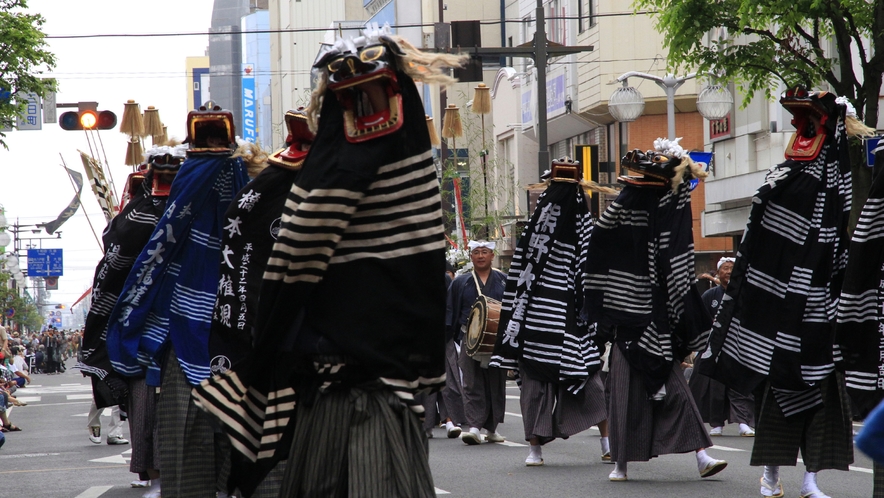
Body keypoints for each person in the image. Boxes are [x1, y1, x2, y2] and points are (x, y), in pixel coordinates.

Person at [194, 25, 465, 497]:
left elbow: (295, 263)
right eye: (353, 101)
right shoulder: (391, 158)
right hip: (357, 385)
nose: (366, 112)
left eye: (373, 96)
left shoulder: (350, 166)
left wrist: (264, 358)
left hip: (354, 388)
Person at [699, 90, 863, 498]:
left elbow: (841, 242)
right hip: (781, 318)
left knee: (825, 409)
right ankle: (771, 475)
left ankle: (810, 480)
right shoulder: (783, 180)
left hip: (821, 316)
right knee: (778, 406)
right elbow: (759, 245)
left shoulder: (831, 186)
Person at [584, 139, 727, 482]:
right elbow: (599, 247)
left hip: (659, 320)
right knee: (622, 397)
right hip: (626, 321)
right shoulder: (622, 209)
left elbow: (676, 265)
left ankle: (702, 456)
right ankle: (620, 463)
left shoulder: (670, 211)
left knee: (676, 390)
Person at [490, 159, 611, 466]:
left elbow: (590, 267)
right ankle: (535, 448)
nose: (562, 196)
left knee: (590, 381)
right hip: (537, 320)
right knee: (534, 390)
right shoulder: (539, 223)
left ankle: (607, 442)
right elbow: (520, 277)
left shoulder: (583, 220)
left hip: (570, 318)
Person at [447, 240, 508, 445]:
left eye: (485, 252)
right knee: (471, 382)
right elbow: (451, 311)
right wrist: (453, 337)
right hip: (469, 339)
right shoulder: (460, 282)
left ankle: (491, 428)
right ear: (470, 257)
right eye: (476, 252)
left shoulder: (503, 280)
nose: (481, 256)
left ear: (492, 255)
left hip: (496, 340)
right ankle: (474, 426)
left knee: (496, 383)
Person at [690, 257, 755, 437]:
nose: (728, 272)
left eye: (731, 268)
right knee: (714, 388)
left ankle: (744, 422)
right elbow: (699, 319)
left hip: (739, 346)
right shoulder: (709, 296)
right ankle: (716, 423)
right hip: (715, 348)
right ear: (718, 273)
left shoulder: (745, 294)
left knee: (740, 386)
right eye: (725, 268)